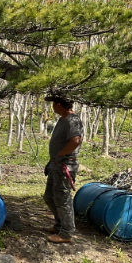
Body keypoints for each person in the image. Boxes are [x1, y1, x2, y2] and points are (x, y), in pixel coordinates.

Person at [43, 95, 83, 244]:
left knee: (62, 199)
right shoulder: (63, 119)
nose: (52, 107)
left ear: (58, 105)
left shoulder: (73, 120)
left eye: (53, 104)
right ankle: (59, 225)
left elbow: (75, 140)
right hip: (56, 165)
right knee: (50, 196)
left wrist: (61, 153)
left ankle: (66, 233)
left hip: (65, 165)